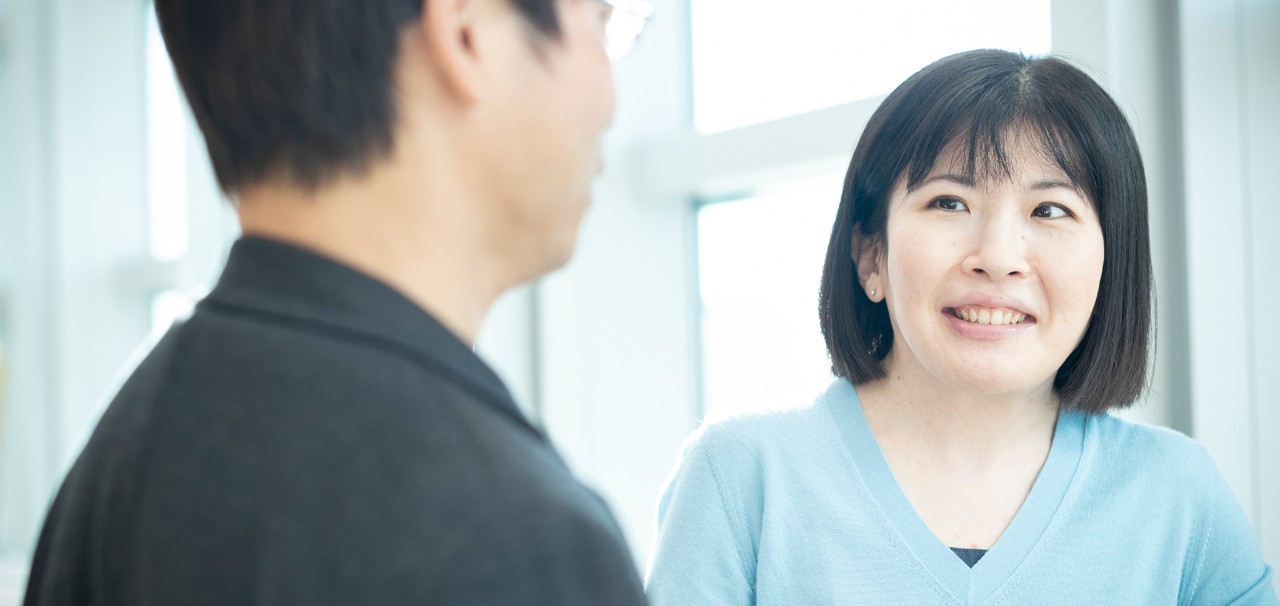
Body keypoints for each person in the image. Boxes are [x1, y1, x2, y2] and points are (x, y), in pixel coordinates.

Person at [23, 0, 653, 604]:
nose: (614, 98)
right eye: (600, 18)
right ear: (468, 35)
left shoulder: (116, 465)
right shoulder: (514, 537)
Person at [646, 49, 1278, 605]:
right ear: (872, 255)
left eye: (1050, 209)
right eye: (950, 202)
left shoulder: (1179, 494)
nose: (998, 255)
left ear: (1112, 265)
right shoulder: (739, 478)